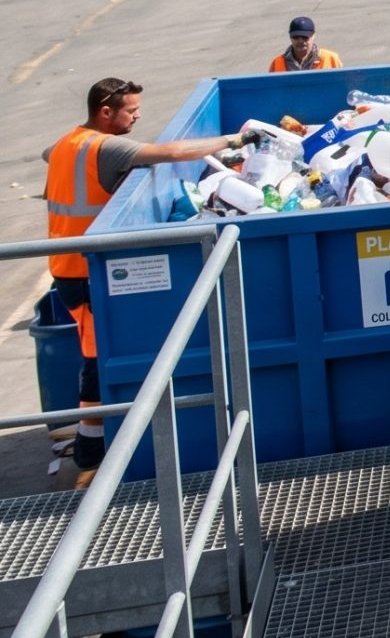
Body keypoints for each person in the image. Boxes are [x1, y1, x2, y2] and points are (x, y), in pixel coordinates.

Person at [42, 79, 243, 487]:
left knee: (98, 355)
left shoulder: (69, 142)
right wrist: (231, 140)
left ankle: (94, 440)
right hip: (82, 272)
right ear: (104, 112)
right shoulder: (107, 148)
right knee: (96, 361)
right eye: (130, 110)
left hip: (69, 265)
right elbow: (170, 152)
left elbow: (50, 155)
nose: (137, 116)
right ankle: (89, 448)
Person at [268, 16, 342, 73]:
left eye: (305, 37)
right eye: (296, 37)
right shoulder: (277, 62)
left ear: (313, 35)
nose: (300, 41)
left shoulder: (331, 58)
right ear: (290, 37)